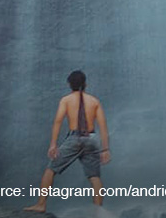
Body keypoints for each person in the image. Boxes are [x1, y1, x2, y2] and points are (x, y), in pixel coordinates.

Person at [24, 70, 111, 212]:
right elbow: (103, 125)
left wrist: (53, 144)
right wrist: (106, 149)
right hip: (92, 138)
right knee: (95, 176)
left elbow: (58, 121)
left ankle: (41, 204)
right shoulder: (94, 101)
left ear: (69, 85)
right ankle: (98, 213)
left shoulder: (66, 100)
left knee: (50, 170)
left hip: (74, 138)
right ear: (85, 84)